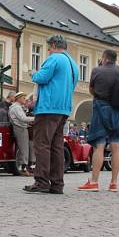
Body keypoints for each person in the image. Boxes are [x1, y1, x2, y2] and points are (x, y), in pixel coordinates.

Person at [24, 34, 79, 194]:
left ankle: (41, 181)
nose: (48, 50)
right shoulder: (73, 64)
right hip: (63, 108)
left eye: (49, 47)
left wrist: (33, 73)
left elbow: (42, 77)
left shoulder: (54, 58)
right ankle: (57, 183)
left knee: (41, 144)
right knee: (57, 146)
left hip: (48, 108)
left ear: (54, 45)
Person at [80, 48, 119, 192]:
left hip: (101, 108)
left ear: (104, 58)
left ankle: (94, 182)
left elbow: (91, 89)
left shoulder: (97, 70)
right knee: (115, 146)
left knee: (99, 146)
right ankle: (114, 183)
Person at [9, 91, 34, 175]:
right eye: (23, 98)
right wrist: (35, 118)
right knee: (24, 149)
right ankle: (23, 168)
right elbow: (23, 118)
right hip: (20, 128)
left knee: (23, 149)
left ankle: (23, 167)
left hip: (21, 127)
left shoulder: (17, 107)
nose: (25, 100)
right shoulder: (16, 107)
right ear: (18, 98)